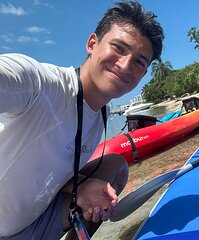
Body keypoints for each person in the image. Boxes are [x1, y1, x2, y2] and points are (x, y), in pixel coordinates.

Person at [0, 1, 164, 239]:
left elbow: (52, 169)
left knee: (115, 167)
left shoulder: (102, 114)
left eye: (139, 61)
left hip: (36, 224)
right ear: (92, 44)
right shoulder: (42, 84)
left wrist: (82, 187)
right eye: (118, 47)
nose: (125, 64)